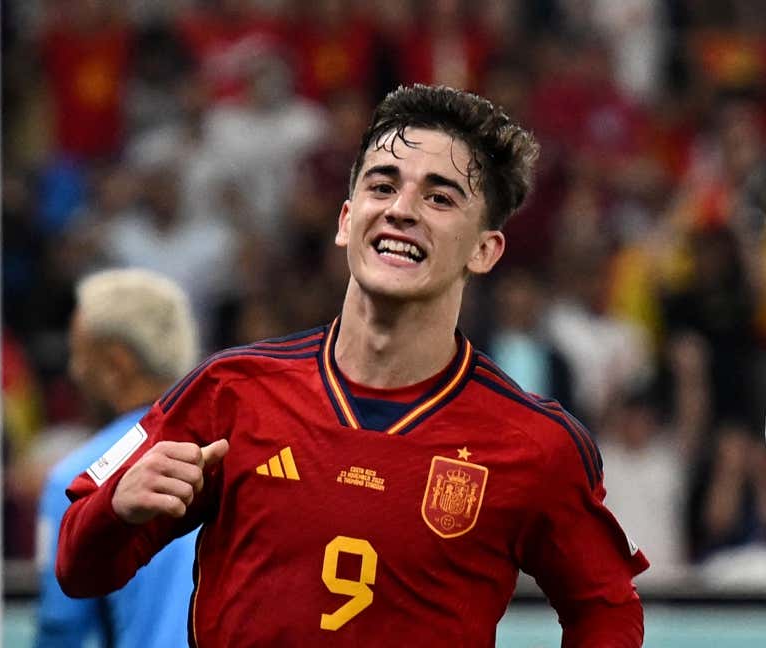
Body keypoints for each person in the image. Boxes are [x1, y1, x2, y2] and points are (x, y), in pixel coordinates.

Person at [57, 84, 648, 646]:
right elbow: (78, 568)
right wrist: (115, 507)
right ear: (346, 219)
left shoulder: (534, 445)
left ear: (484, 249)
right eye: (382, 186)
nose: (402, 210)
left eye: (439, 197)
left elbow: (607, 607)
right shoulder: (229, 391)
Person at [36, 268, 201, 647]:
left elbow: (62, 629)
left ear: (116, 364)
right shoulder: (239, 448)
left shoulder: (79, 479)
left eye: (79, 354)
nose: (74, 372)